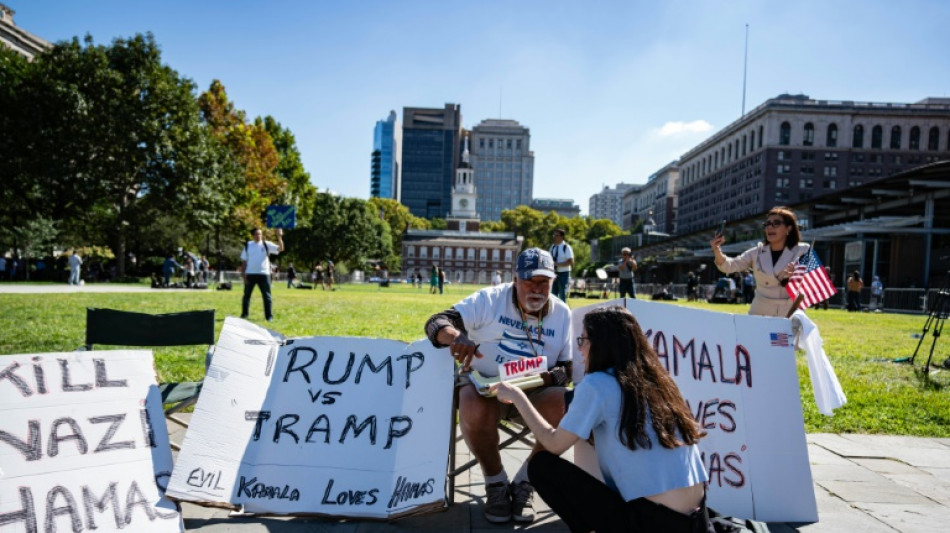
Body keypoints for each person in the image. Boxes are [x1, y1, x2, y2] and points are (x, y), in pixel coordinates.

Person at [492, 306, 710, 532]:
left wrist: (517, 396)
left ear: (602, 344)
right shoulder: (659, 379)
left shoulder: (597, 384)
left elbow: (554, 444)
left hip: (651, 521)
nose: (580, 349)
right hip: (698, 517)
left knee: (541, 466)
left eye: (583, 340)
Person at [424, 248, 573, 524]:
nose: (537, 289)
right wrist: (456, 336)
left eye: (544, 282)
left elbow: (567, 367)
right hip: (484, 389)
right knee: (471, 402)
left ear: (554, 281)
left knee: (568, 404)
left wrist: (547, 378)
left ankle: (525, 483)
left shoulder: (562, 313)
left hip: (532, 394)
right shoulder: (490, 299)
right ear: (515, 279)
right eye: (529, 281)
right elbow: (436, 323)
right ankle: (496, 483)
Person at [710, 206, 809, 317]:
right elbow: (729, 266)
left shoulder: (803, 250)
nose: (770, 227)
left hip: (789, 313)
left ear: (788, 228)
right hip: (759, 312)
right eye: (767, 224)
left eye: (776, 223)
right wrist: (716, 250)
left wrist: (796, 277)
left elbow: (813, 284)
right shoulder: (756, 252)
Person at [239, 227, 284, 321]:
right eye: (256, 234)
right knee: (246, 296)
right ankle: (244, 314)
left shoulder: (266, 244)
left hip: (264, 274)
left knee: (267, 296)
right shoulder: (248, 245)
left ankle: (269, 316)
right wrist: (243, 275)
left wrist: (279, 237)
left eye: (260, 234)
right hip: (250, 274)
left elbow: (281, 249)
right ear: (253, 235)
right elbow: (244, 262)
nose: (258, 236)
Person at [549, 229, 574, 302]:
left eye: (557, 235)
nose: (554, 237)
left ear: (562, 237)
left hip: (564, 273)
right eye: (554, 235)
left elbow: (571, 261)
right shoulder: (552, 247)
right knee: (553, 294)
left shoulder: (566, 247)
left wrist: (558, 264)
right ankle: (554, 312)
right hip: (553, 273)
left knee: (562, 294)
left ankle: (564, 312)